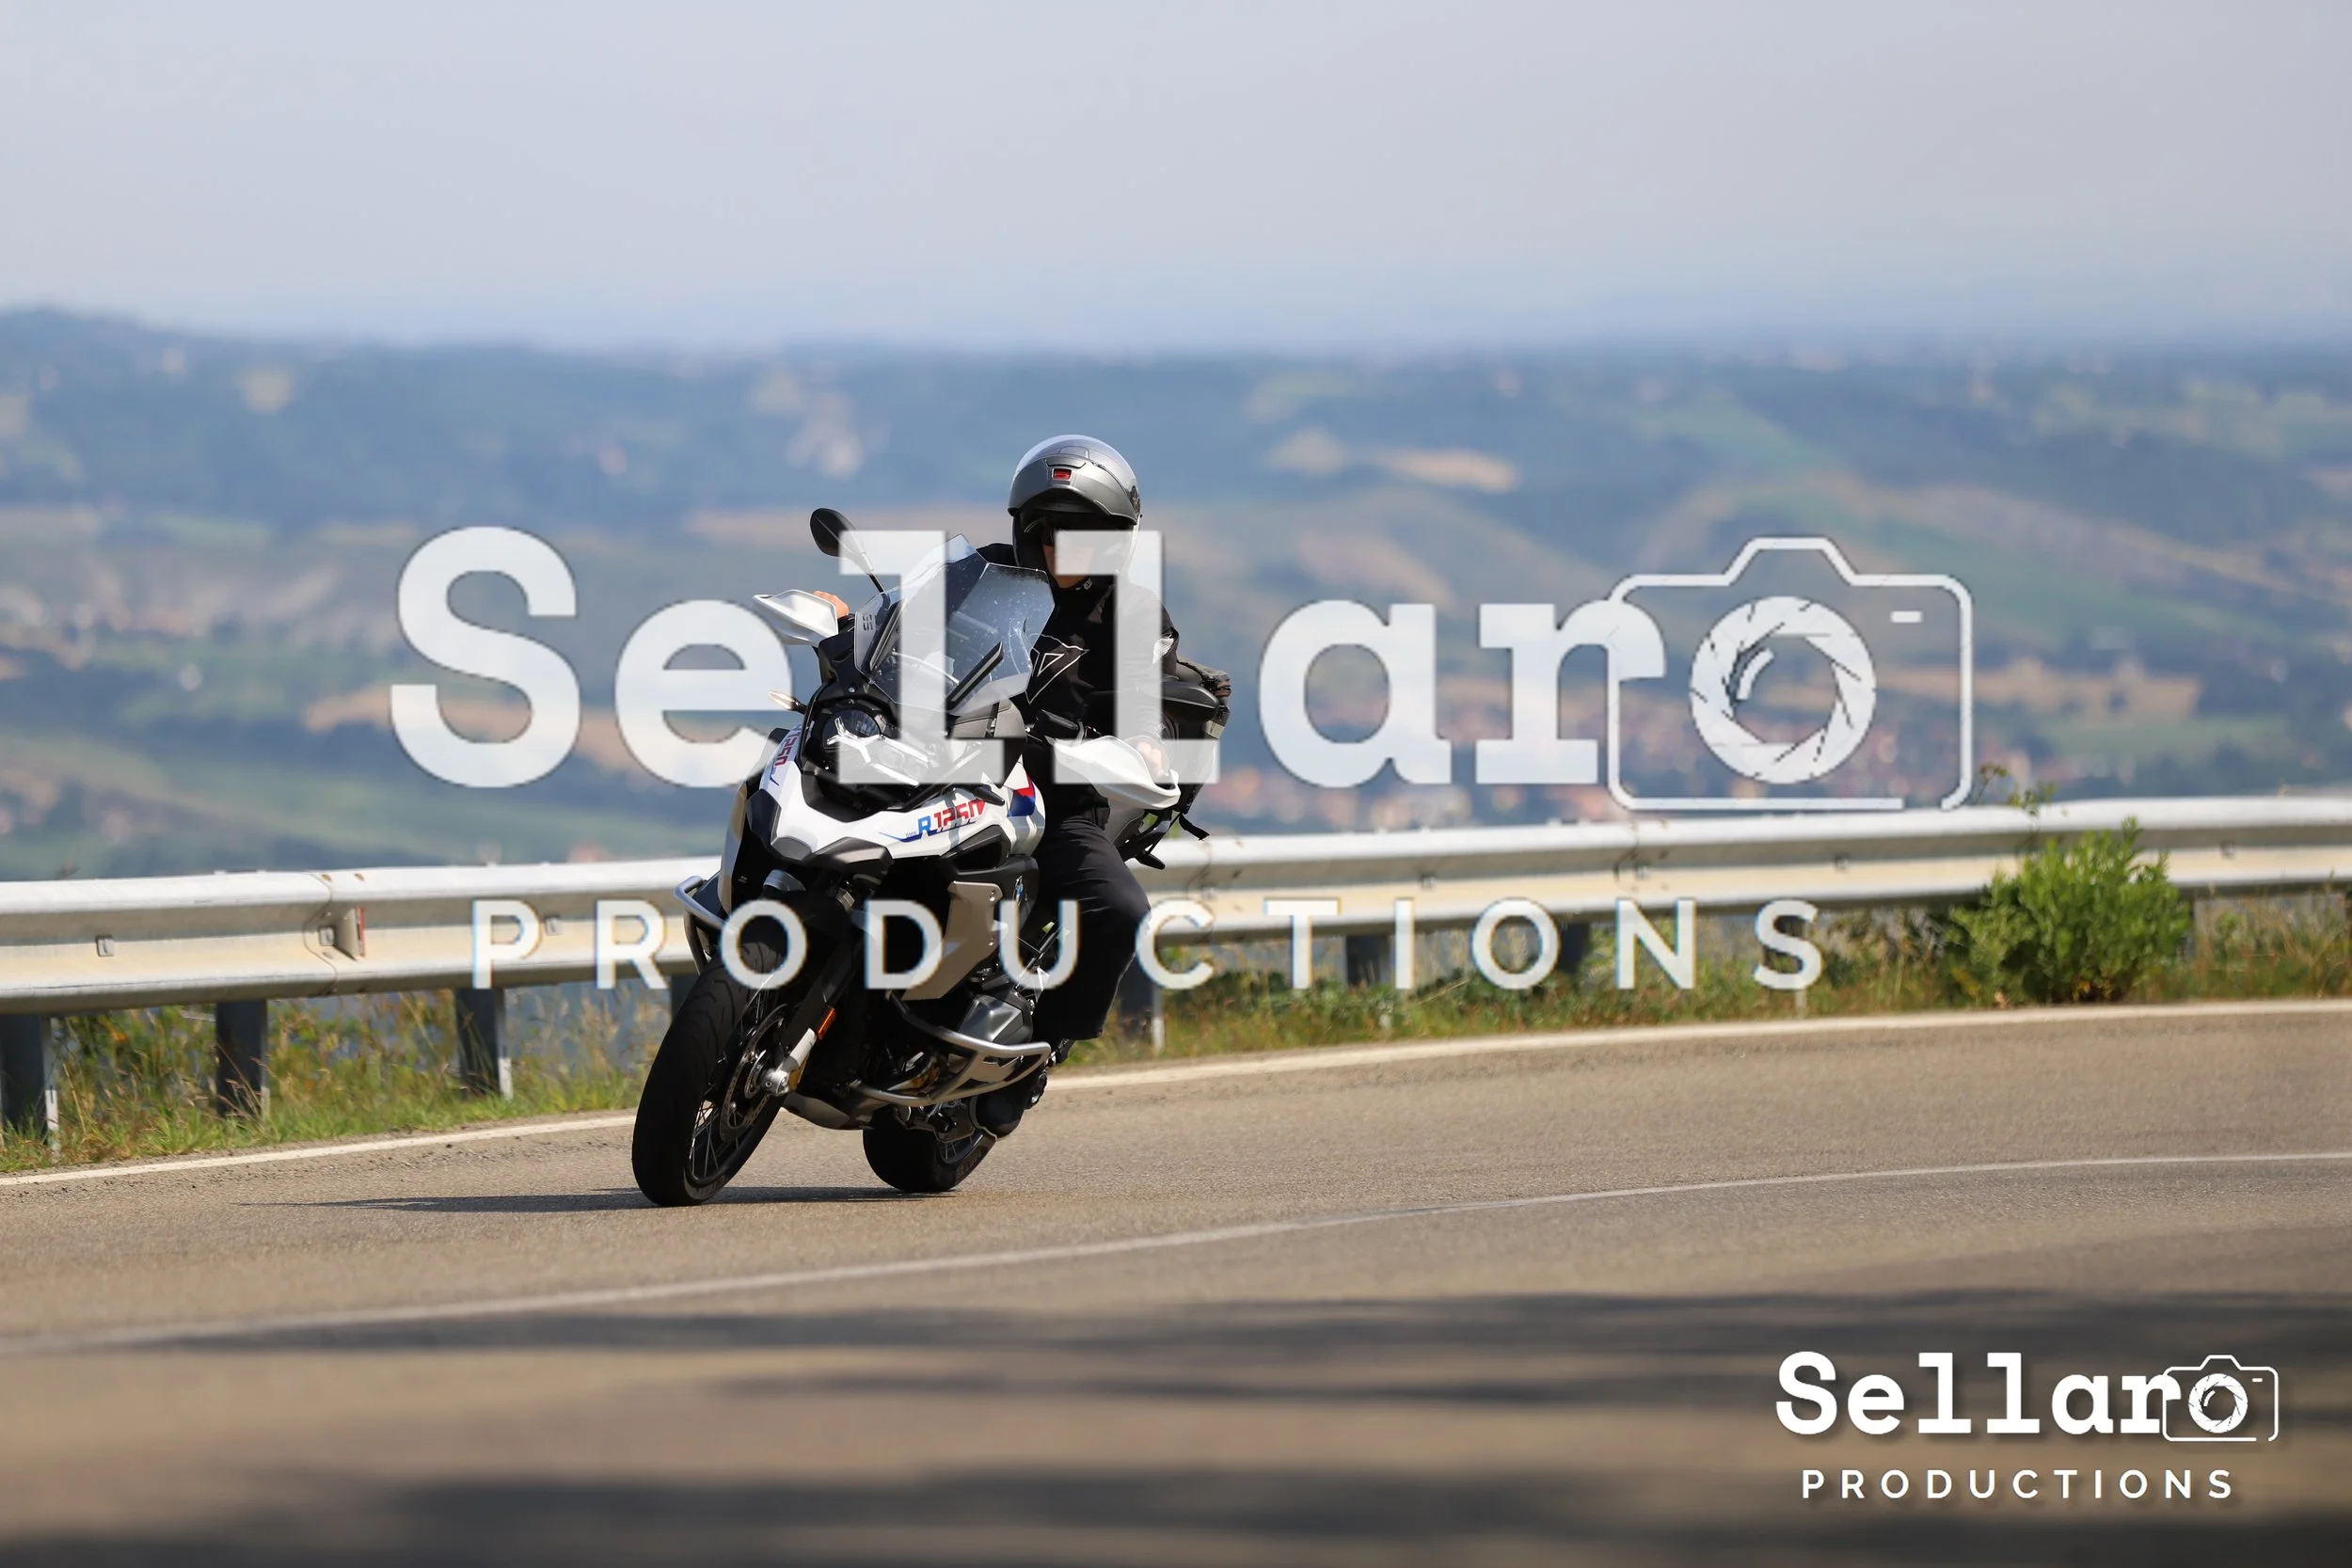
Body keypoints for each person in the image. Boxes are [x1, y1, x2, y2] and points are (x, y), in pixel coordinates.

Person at [969, 435, 1210, 1137]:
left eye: (1084, 535)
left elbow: (1148, 697)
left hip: (1053, 801)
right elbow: (902, 628)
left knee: (1120, 910)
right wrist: (851, 625)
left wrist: (1144, 739)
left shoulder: (1132, 615)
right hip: (946, 774)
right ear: (1026, 529)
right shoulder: (977, 576)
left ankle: (1038, 1050)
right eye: (1050, 531)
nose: (1063, 549)